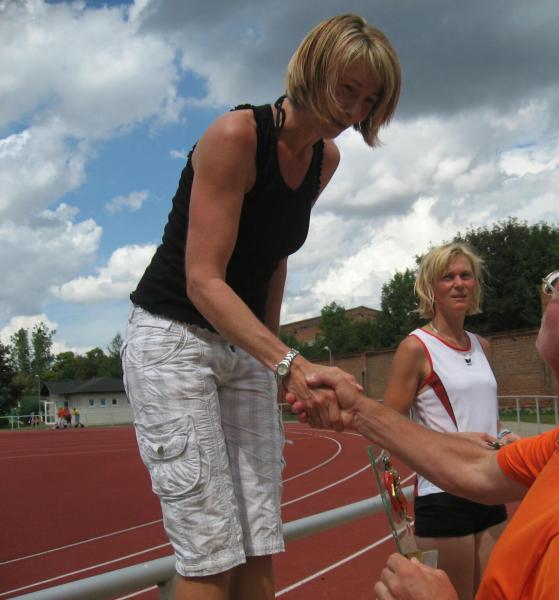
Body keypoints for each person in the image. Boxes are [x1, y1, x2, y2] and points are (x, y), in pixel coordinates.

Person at [121, 14, 401, 600]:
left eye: (369, 100)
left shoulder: (325, 160)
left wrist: (272, 364)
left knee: (258, 537)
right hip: (175, 337)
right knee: (209, 550)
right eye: (347, 89)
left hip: (244, 346)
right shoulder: (236, 137)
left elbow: (276, 256)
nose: (354, 110)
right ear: (314, 69)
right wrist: (288, 363)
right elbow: (202, 280)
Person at [292, 227, 559, 599]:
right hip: (445, 496)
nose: (545, 294)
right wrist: (358, 411)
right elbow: (478, 470)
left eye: (558, 287)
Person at [383, 242, 520, 600]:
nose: (459, 284)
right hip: (443, 493)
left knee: (494, 594)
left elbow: (486, 418)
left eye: (465, 276)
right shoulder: (415, 348)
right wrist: (451, 445)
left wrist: (504, 435)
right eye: (448, 277)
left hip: (489, 487)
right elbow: (387, 428)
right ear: (431, 288)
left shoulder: (483, 346)